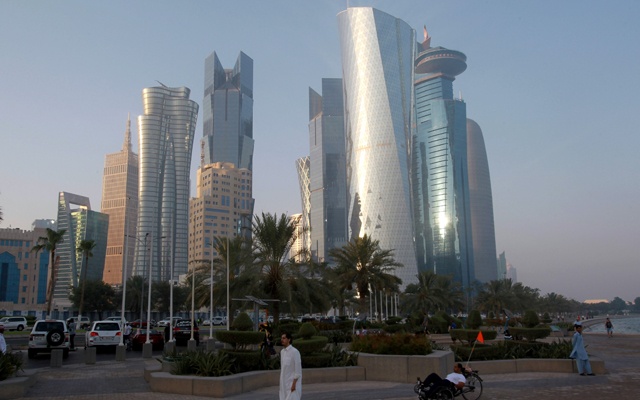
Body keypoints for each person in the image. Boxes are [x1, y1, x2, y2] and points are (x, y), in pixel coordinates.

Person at [279, 332, 302, 400]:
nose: (282, 340)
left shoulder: (295, 352)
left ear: (289, 339)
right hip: (283, 384)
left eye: (284, 338)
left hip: (292, 383)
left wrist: (294, 384)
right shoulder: (282, 352)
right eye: (281, 338)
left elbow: (298, 370)